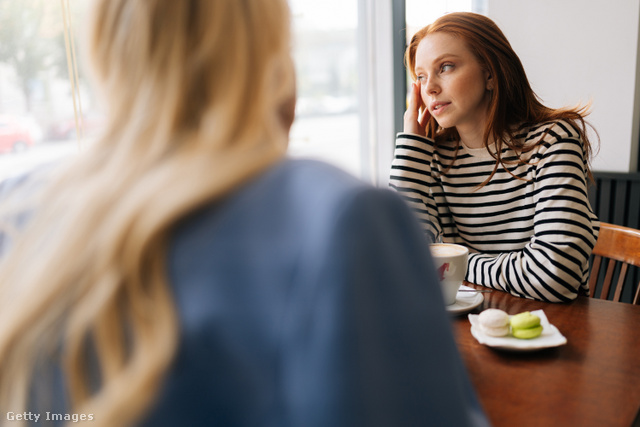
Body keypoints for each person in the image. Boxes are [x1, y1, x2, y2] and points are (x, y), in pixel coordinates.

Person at [0, 1, 490, 426]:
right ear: (268, 52)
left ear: (106, 43)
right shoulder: (339, 221)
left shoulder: (15, 206)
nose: (428, 88)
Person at [390, 12, 599, 303]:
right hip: (463, 332)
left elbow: (556, 275)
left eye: (446, 67)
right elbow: (399, 261)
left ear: (490, 73)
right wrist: (411, 147)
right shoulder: (432, 157)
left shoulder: (552, 140)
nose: (430, 88)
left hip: (548, 332)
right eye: (421, 77)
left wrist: (456, 264)